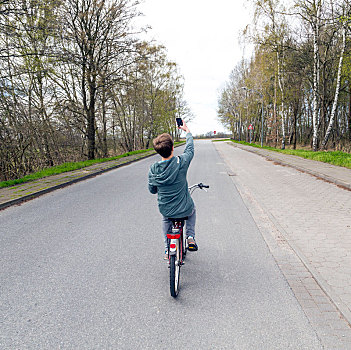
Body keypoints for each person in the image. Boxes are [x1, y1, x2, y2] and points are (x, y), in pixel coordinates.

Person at [148, 120, 197, 260]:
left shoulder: (153, 169)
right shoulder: (181, 162)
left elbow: (152, 190)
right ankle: (190, 237)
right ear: (173, 148)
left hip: (166, 209)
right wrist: (187, 131)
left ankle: (167, 249)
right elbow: (190, 149)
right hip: (184, 208)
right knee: (193, 210)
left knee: (165, 219)